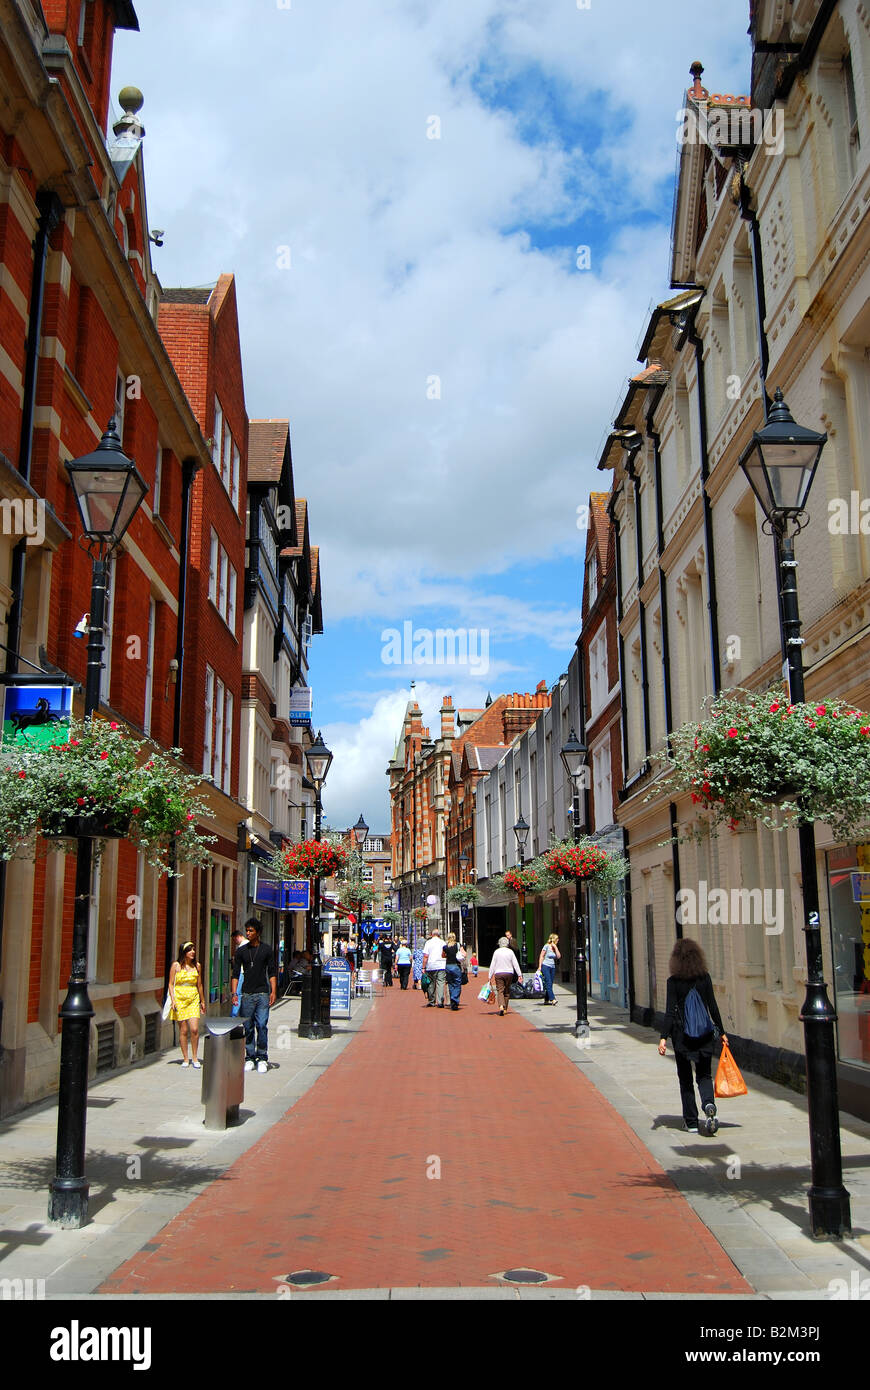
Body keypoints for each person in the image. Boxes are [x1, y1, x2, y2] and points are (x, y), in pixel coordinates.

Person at [658, 938, 728, 1134]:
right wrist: (722, 1032)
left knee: (685, 1079)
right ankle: (708, 1105)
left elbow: (670, 1012)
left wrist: (663, 1037)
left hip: (682, 1037)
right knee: (704, 1075)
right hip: (704, 1035)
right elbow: (712, 1007)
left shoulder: (673, 983)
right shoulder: (704, 978)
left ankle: (691, 1122)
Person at [231, 918, 277, 1074]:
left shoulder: (266, 950)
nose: (248, 933)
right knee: (248, 1027)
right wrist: (234, 993)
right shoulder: (241, 952)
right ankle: (250, 1057)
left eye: (251, 931)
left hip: (263, 993)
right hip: (247, 994)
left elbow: (272, 971)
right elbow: (235, 973)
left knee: (262, 1025)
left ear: (258, 932)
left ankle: (262, 1057)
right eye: (247, 931)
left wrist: (273, 991)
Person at [169, 941, 206, 1067]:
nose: (193, 952)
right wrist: (173, 1000)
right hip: (180, 998)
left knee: (194, 1029)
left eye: (193, 949)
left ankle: (195, 1058)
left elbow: (199, 984)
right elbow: (170, 983)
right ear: (184, 952)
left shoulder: (197, 966)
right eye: (190, 950)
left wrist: (203, 1000)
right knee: (183, 1030)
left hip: (193, 997)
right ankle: (186, 1058)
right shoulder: (176, 966)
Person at [488, 935, 522, 1016]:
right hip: (509, 973)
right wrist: (519, 974)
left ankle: (501, 1006)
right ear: (507, 943)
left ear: (499, 943)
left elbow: (493, 964)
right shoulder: (510, 952)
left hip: (498, 973)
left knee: (500, 990)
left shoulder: (496, 952)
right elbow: (515, 964)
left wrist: (490, 975)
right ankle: (505, 1008)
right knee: (507, 991)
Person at [423, 928, 447, 1007]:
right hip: (441, 965)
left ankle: (432, 1001)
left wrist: (423, 967)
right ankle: (440, 1001)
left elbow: (426, 956)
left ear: (432, 934)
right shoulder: (442, 942)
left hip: (431, 965)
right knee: (440, 983)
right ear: (439, 935)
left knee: (431, 983)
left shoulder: (428, 943)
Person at [444, 932, 466, 1010]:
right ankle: (454, 999)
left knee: (450, 983)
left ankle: (452, 1000)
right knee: (457, 983)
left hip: (448, 966)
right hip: (456, 966)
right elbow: (464, 954)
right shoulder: (458, 945)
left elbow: (442, 955)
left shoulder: (445, 947)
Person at [538, 933, 561, 1005]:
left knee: (550, 983)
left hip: (552, 967)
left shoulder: (555, 948)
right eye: (557, 939)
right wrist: (539, 966)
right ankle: (553, 999)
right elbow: (541, 956)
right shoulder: (546, 946)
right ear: (553, 939)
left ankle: (546, 999)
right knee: (548, 982)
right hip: (545, 966)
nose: (558, 940)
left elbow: (559, 956)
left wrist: (556, 948)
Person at [230, 929, 246, 1016]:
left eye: (234, 940)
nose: (235, 942)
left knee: (237, 994)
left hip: (241, 972)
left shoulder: (242, 947)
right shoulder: (250, 944)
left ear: (237, 937)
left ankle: (234, 1014)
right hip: (247, 973)